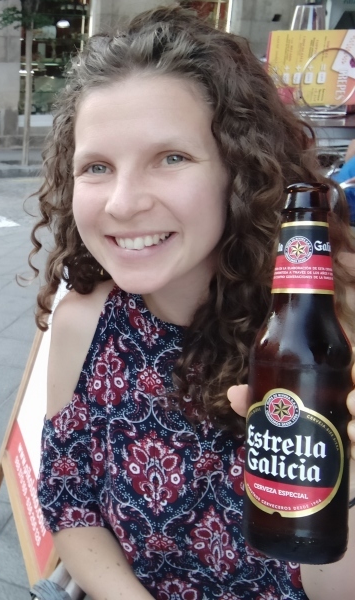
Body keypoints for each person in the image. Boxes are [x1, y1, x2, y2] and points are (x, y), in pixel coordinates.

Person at [31, 6, 355, 600]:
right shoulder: (84, 322)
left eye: (171, 158)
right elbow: (69, 502)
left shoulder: (330, 331)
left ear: (242, 168)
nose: (123, 204)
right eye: (97, 167)